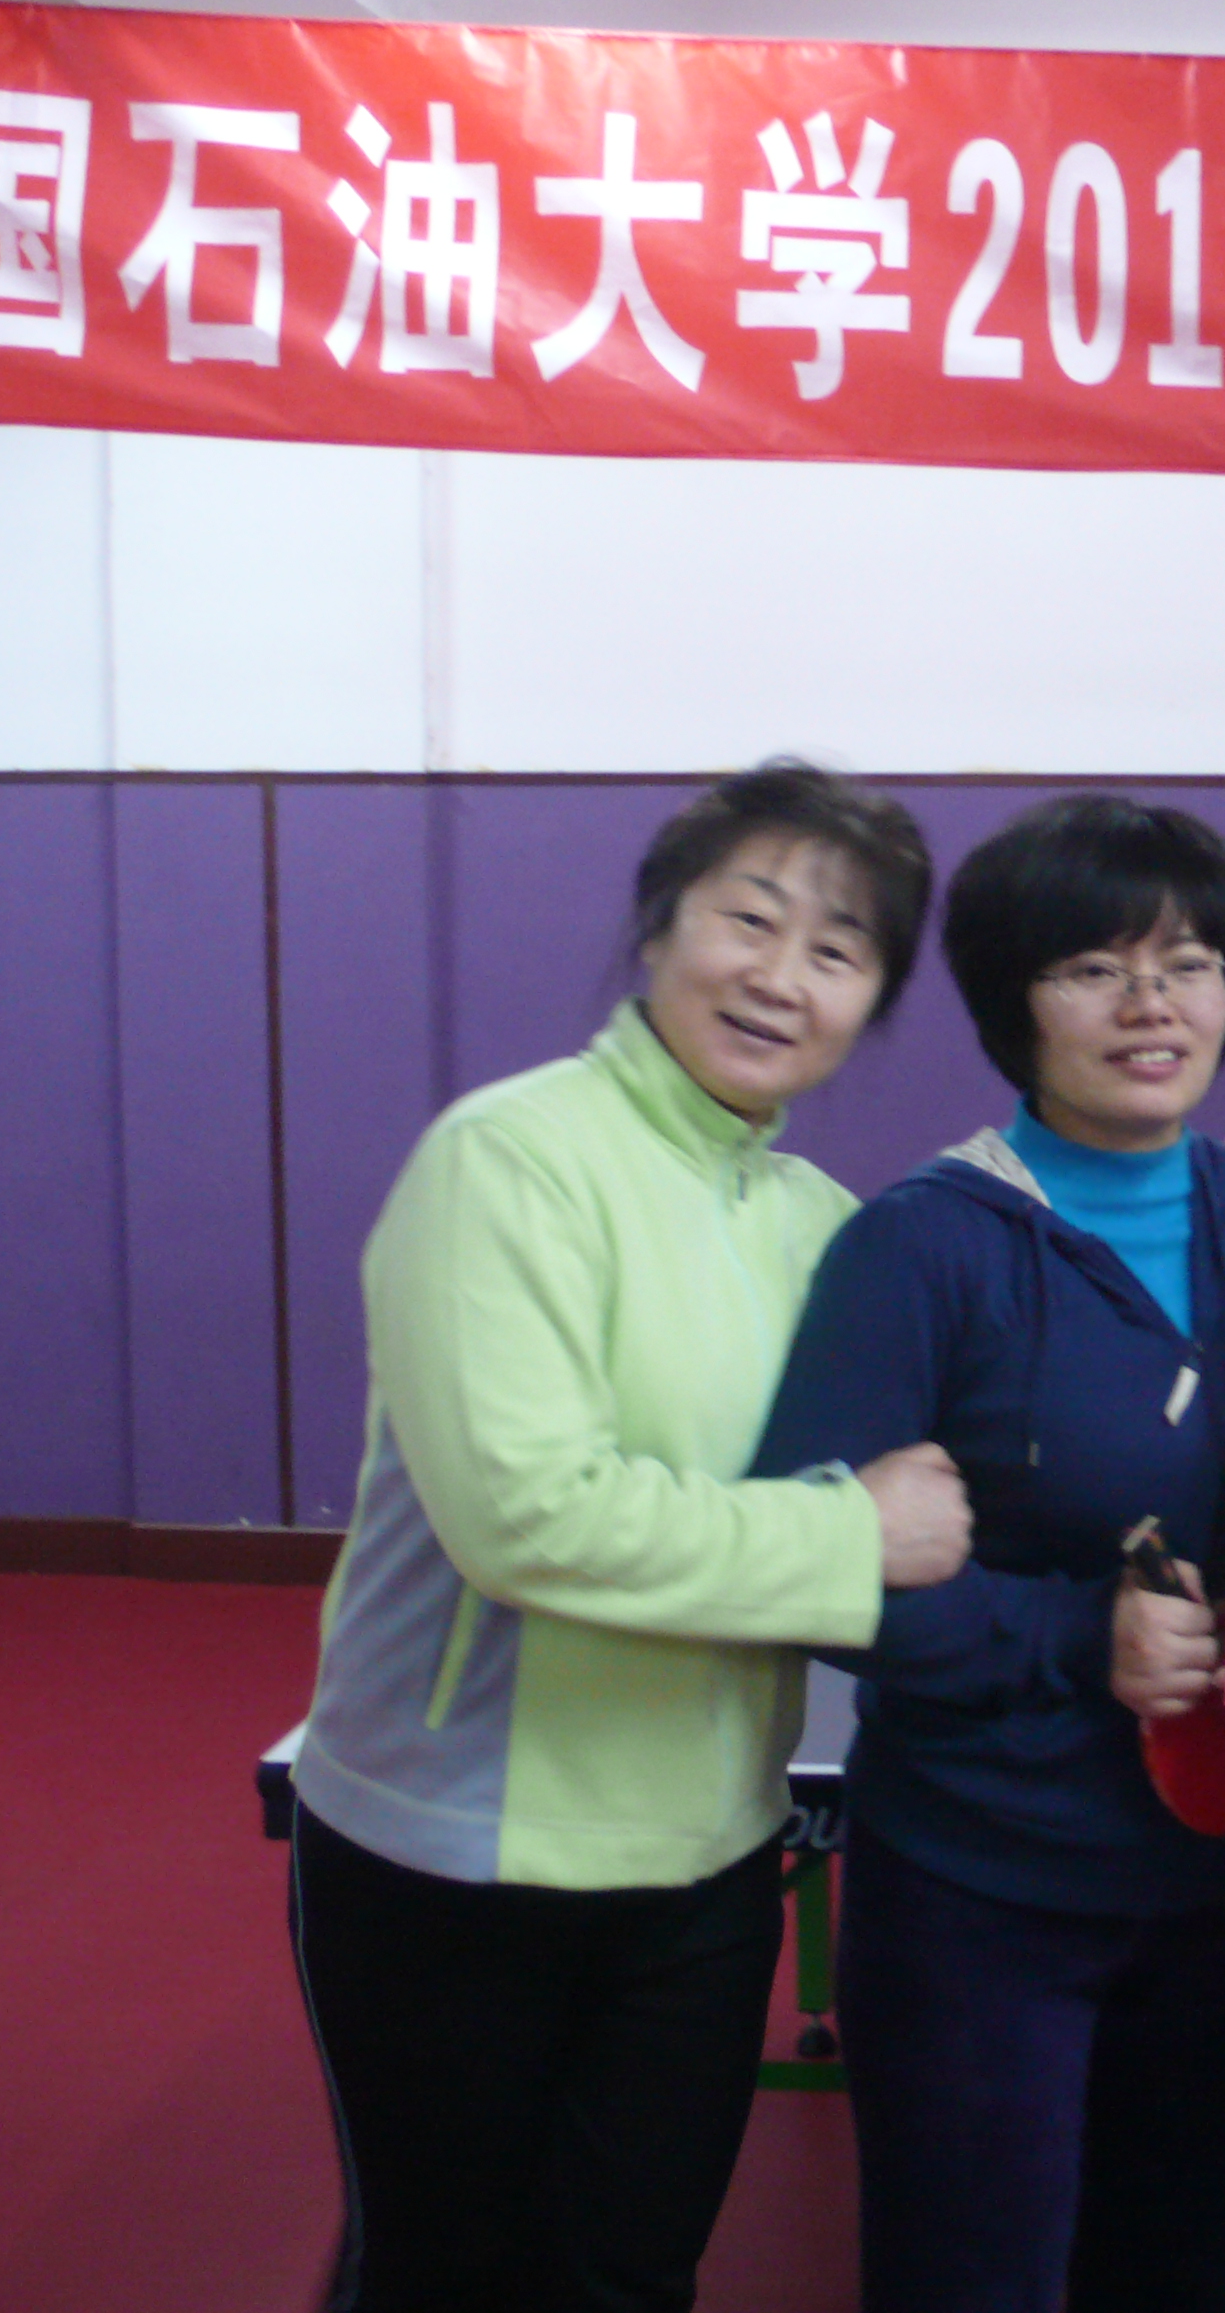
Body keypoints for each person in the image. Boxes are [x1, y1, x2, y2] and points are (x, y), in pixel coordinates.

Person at [284, 761, 974, 2313]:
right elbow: (529, 1520)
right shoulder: (507, 1157)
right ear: (660, 928)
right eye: (751, 918)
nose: (783, 975)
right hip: (459, 1855)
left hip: (710, 1855)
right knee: (445, 2280)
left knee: (630, 2275)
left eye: (840, 949)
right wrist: (847, 1539)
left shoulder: (820, 1221)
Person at [753, 795, 1225, 2313]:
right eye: (1094, 969)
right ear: (1015, 1003)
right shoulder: (917, 1245)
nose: (1153, 1005)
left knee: (1185, 2274)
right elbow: (813, 1568)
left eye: (1191, 965)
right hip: (984, 1886)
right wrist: (1079, 1636)